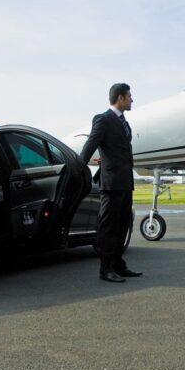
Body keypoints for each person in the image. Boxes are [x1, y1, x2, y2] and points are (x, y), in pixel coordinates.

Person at [79, 83, 143, 283]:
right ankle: (106, 269)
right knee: (109, 226)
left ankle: (118, 265)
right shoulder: (103, 119)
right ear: (121, 98)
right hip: (111, 183)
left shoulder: (124, 122)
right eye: (130, 96)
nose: (132, 99)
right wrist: (80, 169)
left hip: (125, 182)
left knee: (123, 224)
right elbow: (91, 145)